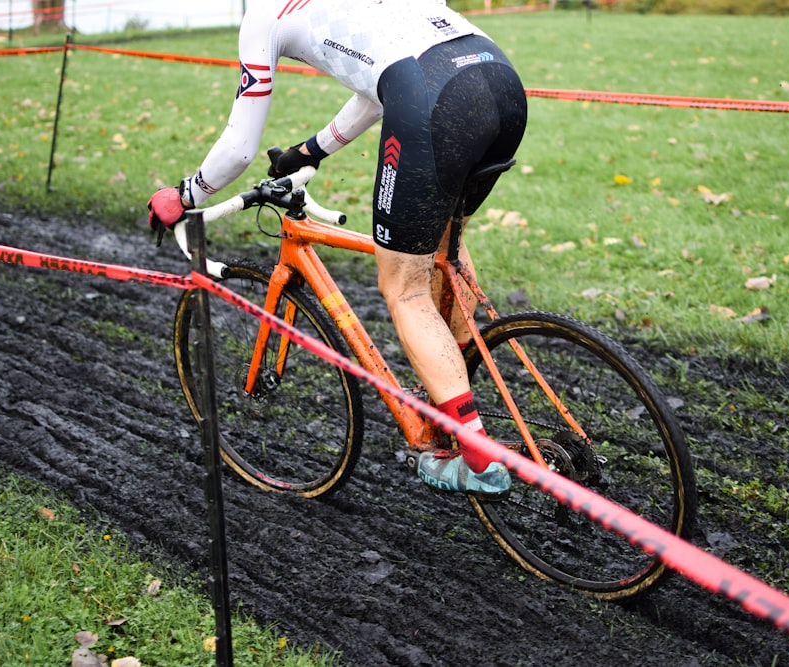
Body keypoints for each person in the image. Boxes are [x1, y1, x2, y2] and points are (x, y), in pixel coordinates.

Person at [147, 0, 527, 499]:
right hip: (498, 80)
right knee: (443, 254)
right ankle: (450, 397)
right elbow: (379, 82)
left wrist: (187, 195)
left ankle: (474, 456)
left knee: (403, 287)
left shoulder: (266, 16)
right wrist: (309, 152)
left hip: (432, 99)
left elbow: (240, 147)